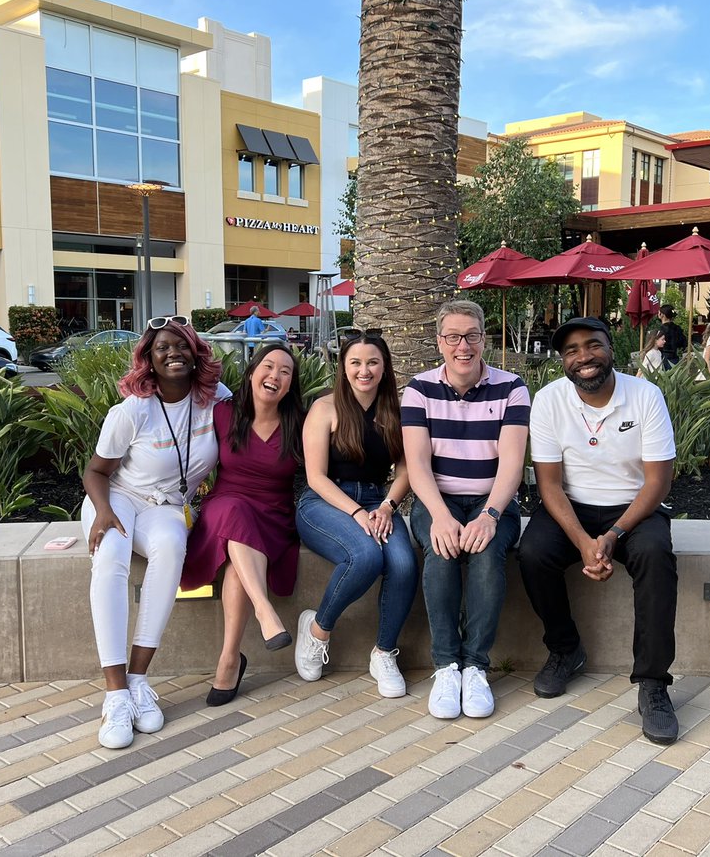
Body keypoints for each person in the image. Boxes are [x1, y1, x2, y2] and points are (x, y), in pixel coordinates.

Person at [517, 317, 679, 744]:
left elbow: (658, 482)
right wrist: (583, 542)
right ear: (562, 361)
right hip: (571, 506)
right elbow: (549, 485)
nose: (583, 357)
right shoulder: (549, 400)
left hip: (635, 508)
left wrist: (612, 536)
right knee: (533, 553)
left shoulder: (645, 396)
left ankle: (653, 683)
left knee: (655, 556)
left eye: (593, 345)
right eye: (571, 350)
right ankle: (565, 649)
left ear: (611, 349)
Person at [82, 316, 226, 749]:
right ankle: (115, 695)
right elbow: (96, 471)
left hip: (166, 506)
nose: (173, 353)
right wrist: (103, 512)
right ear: (149, 357)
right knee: (111, 554)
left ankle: (139, 680)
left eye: (181, 345)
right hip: (117, 496)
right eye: (162, 347)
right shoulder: (134, 410)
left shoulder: (216, 399)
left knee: (171, 546)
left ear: (195, 353)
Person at [401, 299, 530, 720]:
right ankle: (446, 667)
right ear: (439, 342)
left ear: (484, 340)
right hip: (437, 499)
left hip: (493, 501)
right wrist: (441, 516)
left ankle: (475, 666)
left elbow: (512, 463)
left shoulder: (512, 388)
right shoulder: (419, 389)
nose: (463, 346)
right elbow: (417, 464)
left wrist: (490, 515)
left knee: (487, 554)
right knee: (441, 551)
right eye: (453, 337)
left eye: (472, 336)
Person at [294, 329, 417, 697]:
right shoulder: (324, 408)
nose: (365, 371)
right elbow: (315, 477)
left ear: (385, 367)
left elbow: (406, 471)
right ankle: (317, 630)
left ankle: (384, 653)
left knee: (403, 564)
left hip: (378, 502)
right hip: (324, 502)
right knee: (365, 556)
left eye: (373, 362)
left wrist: (386, 507)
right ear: (343, 367)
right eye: (356, 363)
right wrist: (356, 512)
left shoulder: (395, 411)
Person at [182, 342, 304, 706]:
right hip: (225, 505)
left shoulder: (299, 423)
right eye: (268, 366)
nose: (275, 376)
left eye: (285, 371)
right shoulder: (223, 413)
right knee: (235, 513)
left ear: (290, 384)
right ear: (251, 373)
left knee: (238, 561)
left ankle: (230, 658)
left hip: (273, 516)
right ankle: (265, 613)